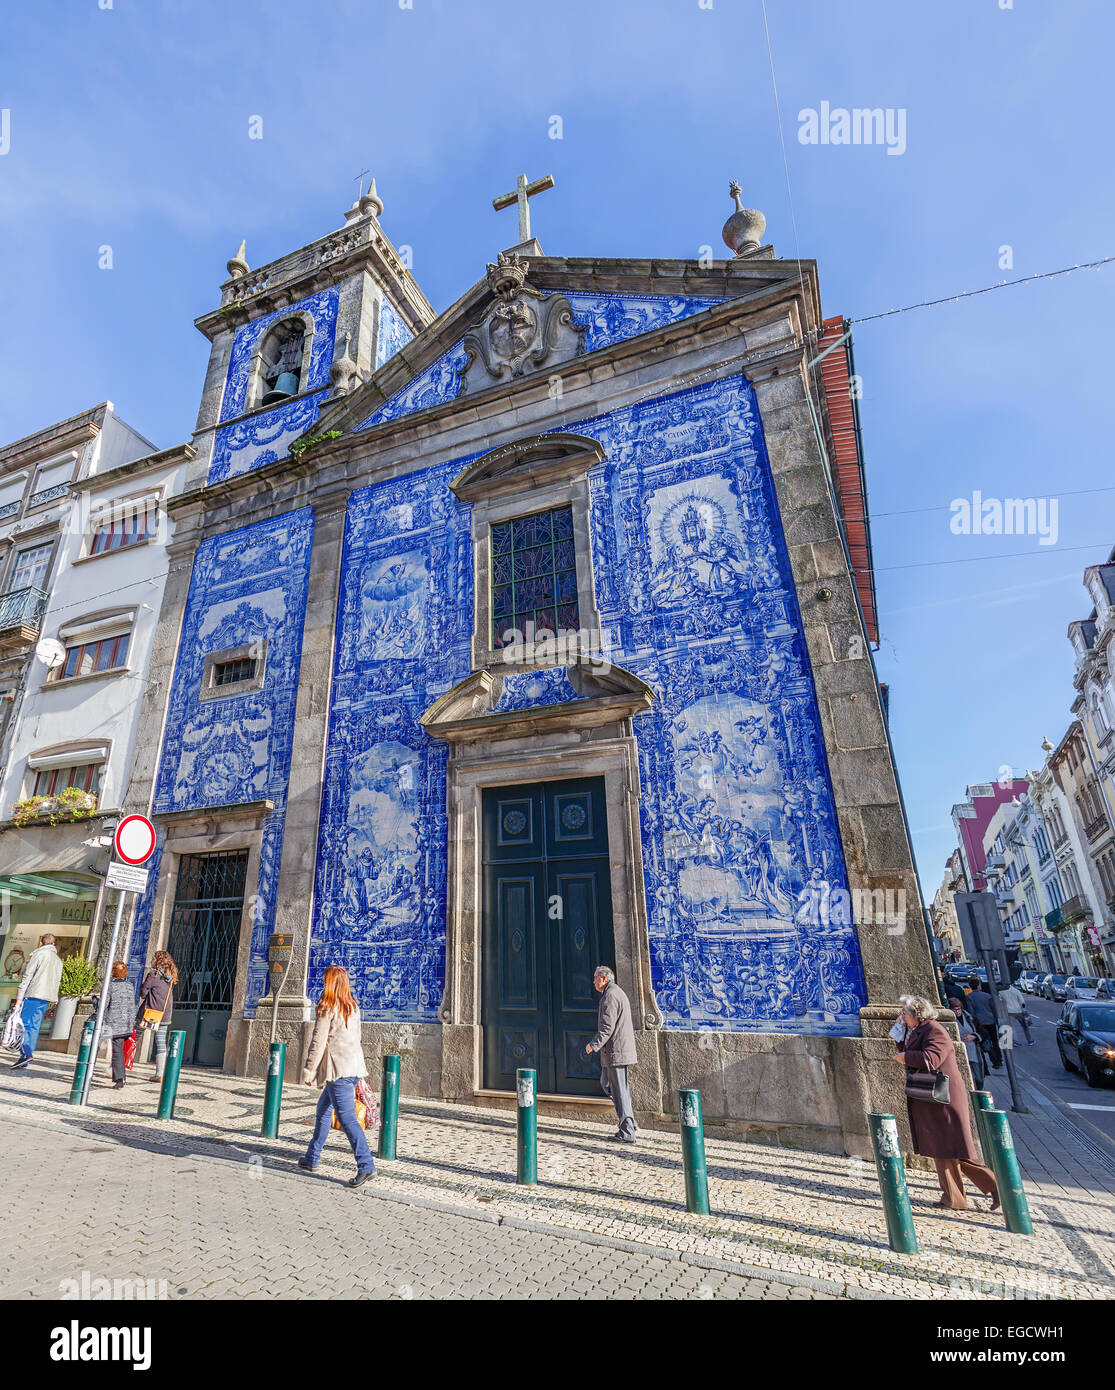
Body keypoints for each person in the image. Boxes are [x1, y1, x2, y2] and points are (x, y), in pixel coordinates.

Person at [895, 994, 999, 1212]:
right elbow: (909, 1050)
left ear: (917, 1013)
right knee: (948, 1149)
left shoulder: (934, 1030)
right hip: (932, 1096)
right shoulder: (917, 1030)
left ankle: (964, 1196)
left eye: (904, 1012)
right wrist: (900, 1038)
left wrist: (906, 1057)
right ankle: (978, 1193)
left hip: (943, 1097)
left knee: (948, 1148)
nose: (902, 1016)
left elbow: (931, 1059)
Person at [300, 965, 375, 1187]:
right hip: (353, 1068)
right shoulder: (352, 1007)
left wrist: (309, 1071)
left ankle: (366, 1165)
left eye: (326, 980)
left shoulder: (327, 1007)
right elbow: (357, 1038)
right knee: (323, 1110)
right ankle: (312, 1158)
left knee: (347, 1118)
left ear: (329, 983)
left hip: (338, 1072)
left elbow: (318, 1041)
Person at [584, 965, 638, 1143]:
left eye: (595, 978)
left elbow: (607, 1027)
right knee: (608, 1084)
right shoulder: (614, 993)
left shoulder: (611, 996)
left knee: (619, 1090)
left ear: (604, 978)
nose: (593, 981)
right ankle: (629, 1121)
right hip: (615, 1051)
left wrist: (593, 1045)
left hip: (616, 1052)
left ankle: (627, 1131)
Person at [11, 934, 63, 1069]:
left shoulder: (38, 954)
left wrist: (19, 998)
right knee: (34, 1026)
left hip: (34, 994)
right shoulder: (58, 960)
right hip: (46, 997)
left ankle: (26, 1054)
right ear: (53, 944)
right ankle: (26, 1058)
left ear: (41, 943)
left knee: (23, 1024)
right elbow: (57, 981)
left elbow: (27, 976)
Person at [136, 951, 177, 1081]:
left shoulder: (153, 974)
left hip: (149, 1012)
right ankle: (160, 1073)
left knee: (133, 1038)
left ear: (158, 961)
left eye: (153, 958)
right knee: (161, 1042)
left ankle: (119, 1067)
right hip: (164, 1014)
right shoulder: (170, 977)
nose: (151, 960)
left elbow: (143, 992)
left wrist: (144, 993)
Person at [99, 962, 137, 1090]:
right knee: (118, 1050)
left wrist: (95, 1002)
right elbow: (132, 1005)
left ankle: (120, 1078)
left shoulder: (109, 986)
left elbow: (103, 1005)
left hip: (113, 1023)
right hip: (126, 1024)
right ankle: (120, 1077)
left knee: (114, 1050)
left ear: (113, 972)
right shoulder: (129, 986)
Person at [948, 995, 985, 1088]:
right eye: (954, 1010)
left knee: (979, 1078)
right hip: (959, 1054)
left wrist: (974, 1036)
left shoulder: (970, 1018)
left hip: (974, 1053)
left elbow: (983, 1032)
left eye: (958, 1009)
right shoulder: (949, 1021)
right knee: (966, 1079)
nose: (957, 1012)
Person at [965, 982, 1003, 1069]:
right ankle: (999, 1058)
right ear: (979, 986)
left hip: (980, 1022)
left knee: (986, 1041)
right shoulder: (987, 996)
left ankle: (994, 1060)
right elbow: (994, 1009)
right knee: (994, 1040)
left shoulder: (969, 997)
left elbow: (971, 1011)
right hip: (991, 1021)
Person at [997, 980, 1033, 1045]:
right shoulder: (1016, 991)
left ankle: (1015, 1041)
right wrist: (1023, 1009)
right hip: (1019, 1011)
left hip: (1009, 1012)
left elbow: (1000, 1001)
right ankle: (1030, 1040)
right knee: (1025, 1026)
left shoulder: (1001, 992)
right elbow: (1022, 1002)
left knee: (1012, 1027)